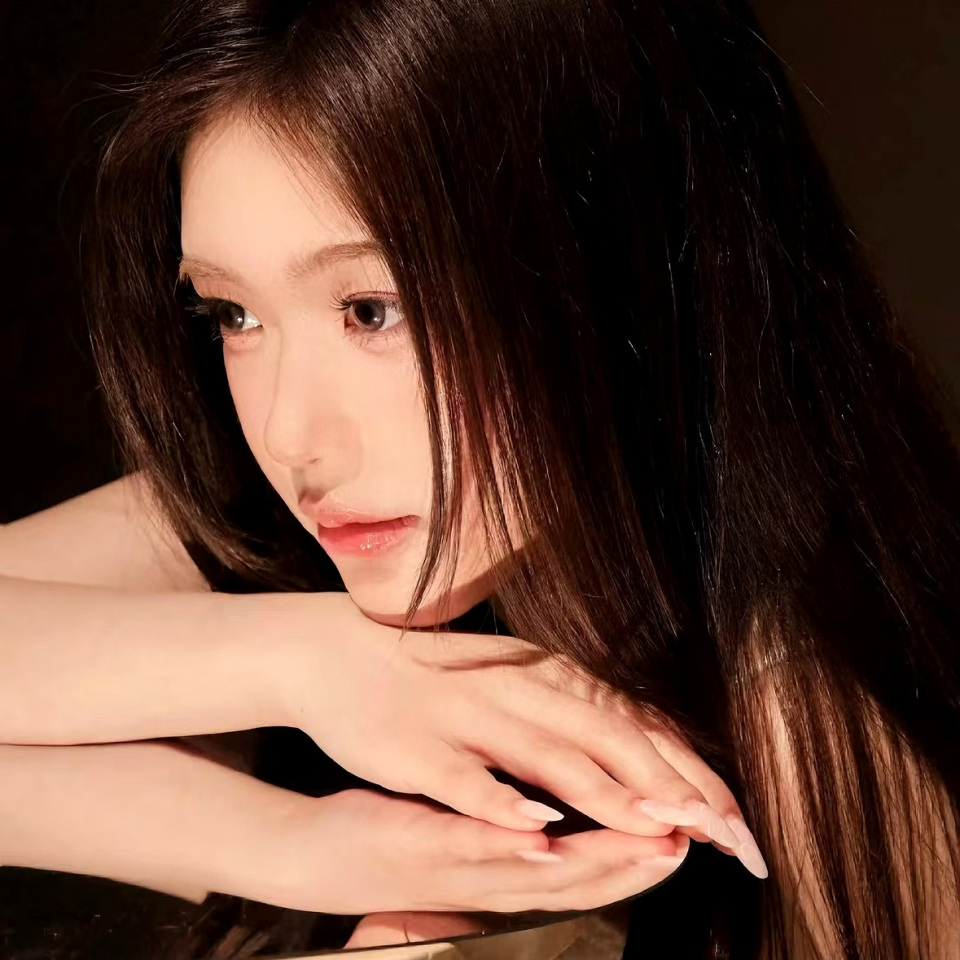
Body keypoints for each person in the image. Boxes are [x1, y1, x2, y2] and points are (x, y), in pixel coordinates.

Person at [2, 0, 959, 957]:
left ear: (622, 272)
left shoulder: (812, 738)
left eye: (373, 310)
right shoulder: (301, 541)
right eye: (232, 316)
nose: (291, 434)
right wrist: (306, 751)